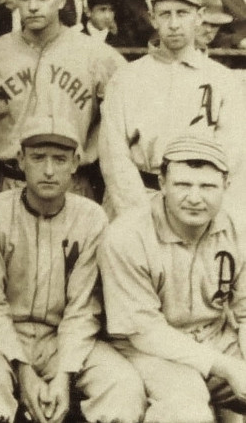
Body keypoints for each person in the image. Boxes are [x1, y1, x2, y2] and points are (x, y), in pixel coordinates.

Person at [0, 115, 146, 423]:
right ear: (21, 159)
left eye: (59, 159)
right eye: (38, 158)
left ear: (75, 162)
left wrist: (64, 373)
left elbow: (84, 308)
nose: (48, 170)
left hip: (64, 339)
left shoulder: (91, 217)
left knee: (124, 386)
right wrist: (22, 368)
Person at [99, 134, 246, 421]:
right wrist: (224, 367)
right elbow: (144, 331)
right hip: (149, 349)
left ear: (225, 187)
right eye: (182, 184)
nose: (194, 197)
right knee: (188, 410)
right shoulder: (127, 235)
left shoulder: (238, 229)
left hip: (214, 338)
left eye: (207, 186)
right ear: (162, 184)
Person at [0, 0, 125, 201]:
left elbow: (120, 120)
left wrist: (91, 151)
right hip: (7, 182)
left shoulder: (98, 56)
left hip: (73, 185)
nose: (32, 6)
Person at [99, 0, 246, 218]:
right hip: (139, 201)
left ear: (199, 17)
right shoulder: (126, 79)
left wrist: (207, 212)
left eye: (183, 13)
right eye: (165, 14)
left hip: (199, 206)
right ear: (152, 18)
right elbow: (114, 157)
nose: (174, 23)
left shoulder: (224, 81)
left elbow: (235, 158)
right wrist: (140, 217)